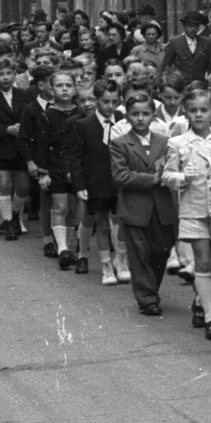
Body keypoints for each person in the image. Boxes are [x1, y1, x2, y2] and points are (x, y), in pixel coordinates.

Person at [110, 90, 183, 316]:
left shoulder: (165, 142)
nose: (140, 118)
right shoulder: (120, 143)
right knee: (139, 253)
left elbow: (173, 168)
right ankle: (147, 298)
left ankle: (152, 289)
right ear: (127, 116)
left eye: (145, 113)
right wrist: (151, 179)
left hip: (162, 207)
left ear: (154, 115)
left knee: (161, 250)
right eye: (134, 114)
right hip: (135, 207)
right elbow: (120, 175)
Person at [168, 89, 211, 340]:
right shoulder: (178, 142)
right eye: (193, 110)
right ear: (186, 112)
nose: (198, 115)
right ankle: (210, 317)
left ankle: (200, 300)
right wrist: (183, 177)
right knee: (203, 262)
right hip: (193, 209)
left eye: (203, 110)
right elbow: (167, 174)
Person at [23, 69, 82, 268]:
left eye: (68, 85)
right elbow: (41, 146)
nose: (64, 89)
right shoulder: (47, 115)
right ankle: (63, 248)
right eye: (59, 86)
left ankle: (69, 247)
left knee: (73, 209)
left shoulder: (80, 114)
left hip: (75, 169)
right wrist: (43, 173)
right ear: (51, 89)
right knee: (60, 207)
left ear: (75, 89)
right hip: (55, 168)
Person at [66, 80, 122, 282]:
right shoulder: (83, 125)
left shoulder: (123, 121)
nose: (110, 106)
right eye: (105, 101)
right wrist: (79, 185)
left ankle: (120, 260)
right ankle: (102, 263)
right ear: (97, 100)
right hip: (95, 180)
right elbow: (76, 157)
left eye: (114, 101)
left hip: (119, 180)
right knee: (98, 221)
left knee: (119, 221)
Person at [0, 58, 35, 240]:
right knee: (4, 184)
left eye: (9, 73)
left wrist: (23, 127)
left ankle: (16, 216)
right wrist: (6, 129)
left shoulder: (24, 94)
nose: (5, 77)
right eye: (1, 74)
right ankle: (9, 222)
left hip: (21, 146)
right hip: (0, 146)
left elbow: (31, 117)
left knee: (23, 187)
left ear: (14, 74)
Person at [161, 10, 211, 85]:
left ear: (199, 27)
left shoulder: (206, 43)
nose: (192, 29)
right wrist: (164, 84)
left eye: (195, 26)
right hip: (181, 86)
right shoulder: (175, 42)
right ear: (184, 26)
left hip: (200, 86)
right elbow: (166, 66)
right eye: (189, 26)